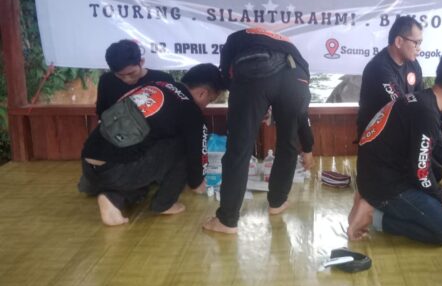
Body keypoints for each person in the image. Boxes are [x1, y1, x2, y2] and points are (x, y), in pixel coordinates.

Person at [348, 50, 442, 245]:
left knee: (436, 173)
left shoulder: (424, 101)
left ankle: (373, 201)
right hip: (384, 185)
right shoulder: (425, 112)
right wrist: (441, 198)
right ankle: (374, 215)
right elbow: (421, 172)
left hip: (378, 174)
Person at [79, 63, 224, 226]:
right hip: (116, 172)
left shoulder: (155, 85)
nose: (206, 105)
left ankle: (111, 198)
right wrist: (198, 183)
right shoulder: (191, 112)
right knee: (183, 145)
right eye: (210, 100)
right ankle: (165, 204)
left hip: (88, 165)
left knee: (140, 155)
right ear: (203, 93)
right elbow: (197, 163)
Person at [204, 28, 314, 234]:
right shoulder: (289, 45)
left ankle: (227, 220)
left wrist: (254, 104)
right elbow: (302, 115)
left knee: (239, 148)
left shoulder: (236, 38)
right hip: (297, 77)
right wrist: (308, 148)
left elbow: (227, 77)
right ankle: (277, 202)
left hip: (252, 75)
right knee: (288, 143)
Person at [356, 15, 442, 145]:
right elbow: (403, 108)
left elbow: (423, 101)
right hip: (376, 139)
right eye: (416, 43)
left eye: (420, 43)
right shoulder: (379, 69)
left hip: (402, 130)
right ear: (399, 42)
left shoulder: (413, 64)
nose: (419, 48)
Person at [96, 39, 174, 116]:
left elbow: (173, 112)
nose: (127, 79)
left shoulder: (163, 79)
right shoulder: (106, 81)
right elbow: (102, 113)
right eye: (120, 75)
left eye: (131, 73)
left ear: (141, 62)